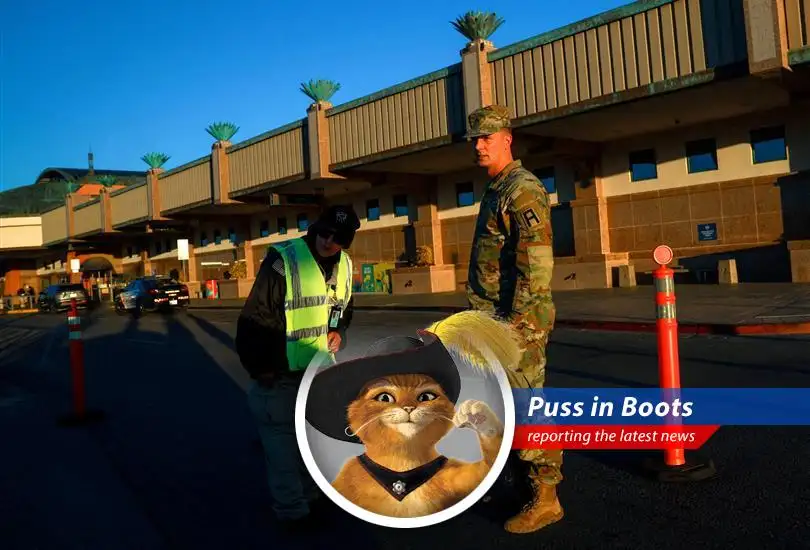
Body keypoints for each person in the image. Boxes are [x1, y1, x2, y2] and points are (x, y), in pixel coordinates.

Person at [465, 104, 563, 534]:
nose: (479, 145)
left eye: (487, 137)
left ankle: (547, 499)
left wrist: (518, 326)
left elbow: (535, 267)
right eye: (475, 139)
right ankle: (516, 483)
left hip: (516, 323)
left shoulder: (522, 190)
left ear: (508, 138)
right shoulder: (496, 188)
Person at [235, 204, 361, 530]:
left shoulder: (345, 265)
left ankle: (311, 500)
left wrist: (339, 333)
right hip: (280, 373)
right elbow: (256, 315)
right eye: (324, 233)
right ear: (315, 228)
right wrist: (260, 367)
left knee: (311, 443)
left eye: (337, 238)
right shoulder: (283, 260)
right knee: (282, 448)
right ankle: (292, 512)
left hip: (318, 372)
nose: (328, 242)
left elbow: (342, 311)